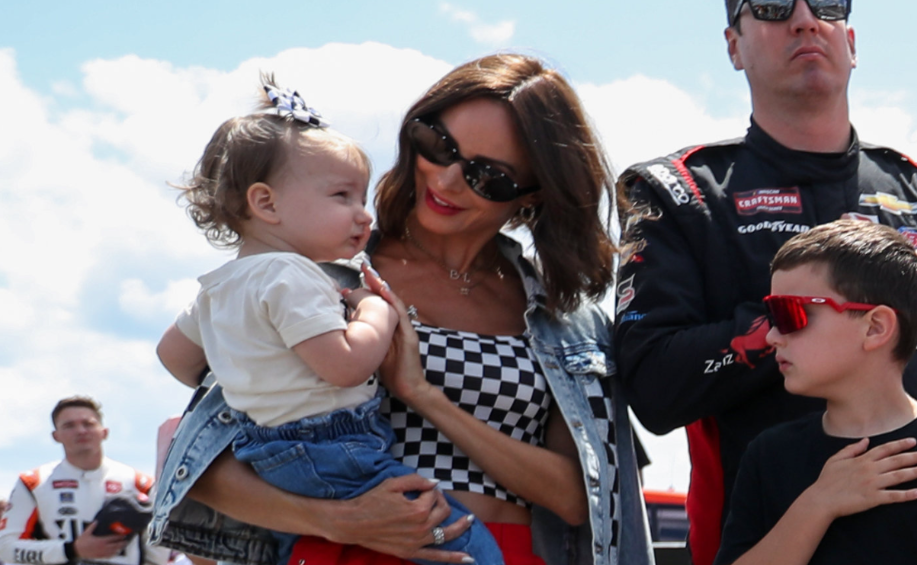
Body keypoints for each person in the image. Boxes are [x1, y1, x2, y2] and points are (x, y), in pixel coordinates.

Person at [615, 0, 917, 565]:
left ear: (852, 40)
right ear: (733, 45)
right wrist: (806, 314)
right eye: (772, 5)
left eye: (827, 3)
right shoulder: (678, 194)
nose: (805, 20)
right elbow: (653, 390)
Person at [148, 54, 652, 565]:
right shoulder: (316, 277)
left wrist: (422, 394)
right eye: (439, 145)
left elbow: (576, 498)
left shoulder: (568, 319)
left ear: (533, 194)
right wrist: (336, 520)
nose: (449, 180)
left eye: (488, 175)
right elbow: (201, 470)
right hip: (347, 552)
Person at [154, 76, 501, 565]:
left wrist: (250, 368)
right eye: (342, 196)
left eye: (361, 199)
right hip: (330, 445)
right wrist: (374, 311)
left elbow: (174, 357)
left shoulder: (220, 286)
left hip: (265, 450)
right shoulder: (289, 274)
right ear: (266, 203)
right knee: (463, 541)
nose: (363, 216)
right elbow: (345, 366)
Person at [714, 220, 917, 565]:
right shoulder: (768, 456)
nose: (771, 336)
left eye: (789, 314)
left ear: (875, 327)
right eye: (770, 315)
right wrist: (818, 503)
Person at [0, 396, 170, 565]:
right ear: (55, 436)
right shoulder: (33, 483)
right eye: (69, 426)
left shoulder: (141, 483)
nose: (81, 430)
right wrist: (71, 550)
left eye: (88, 424)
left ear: (104, 432)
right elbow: (5, 548)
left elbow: (158, 552)